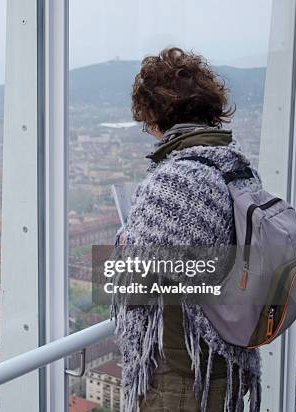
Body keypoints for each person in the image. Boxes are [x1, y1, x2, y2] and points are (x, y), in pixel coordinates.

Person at [112, 47, 262, 411]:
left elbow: (136, 280)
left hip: (182, 369)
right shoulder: (237, 166)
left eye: (146, 120)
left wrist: (125, 242)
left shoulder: (172, 180)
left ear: (156, 115)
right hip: (228, 351)